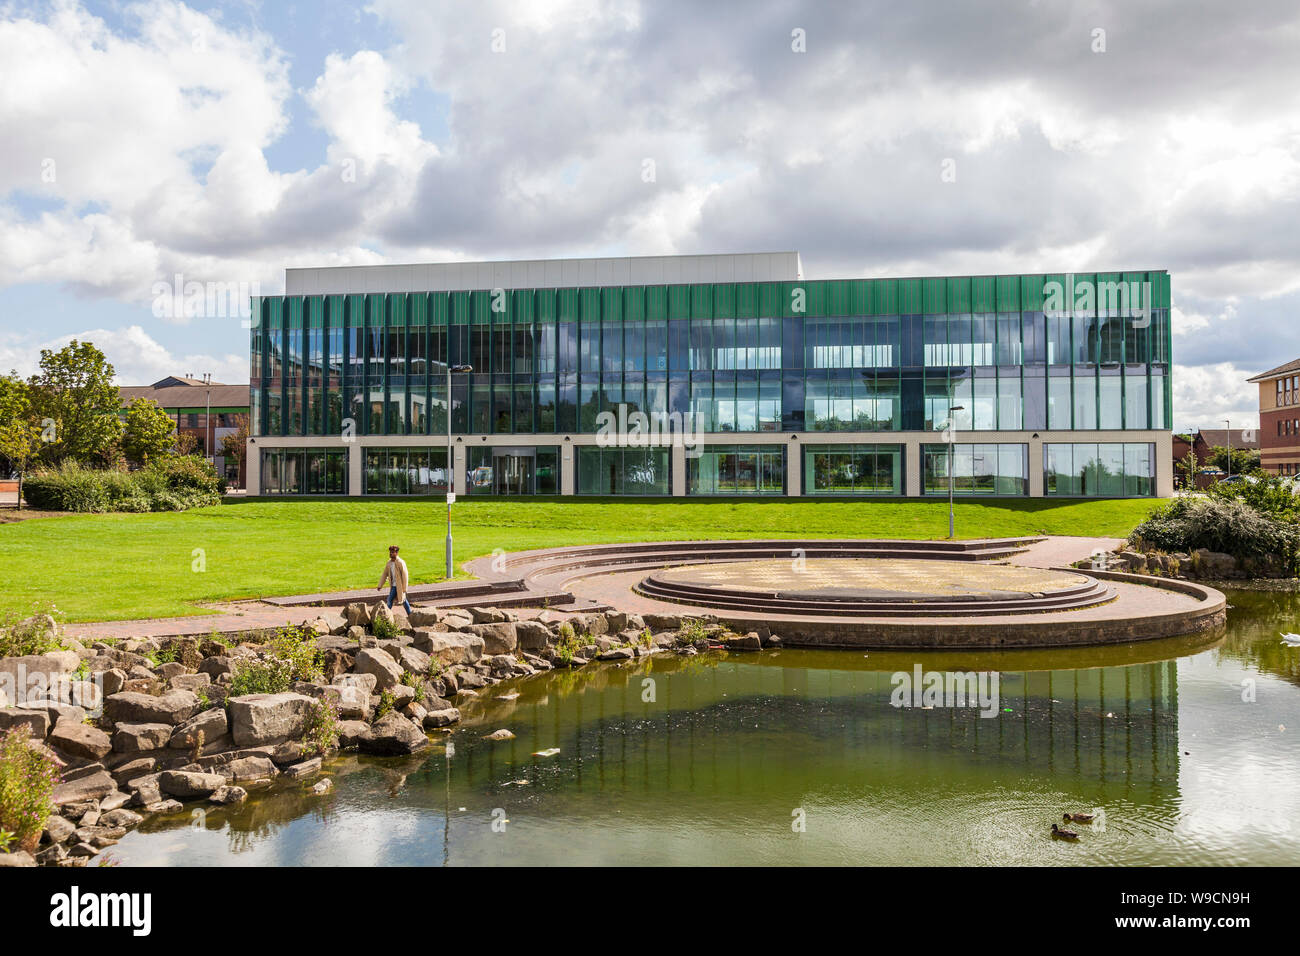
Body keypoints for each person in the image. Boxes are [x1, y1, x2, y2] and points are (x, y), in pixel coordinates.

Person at [378, 545, 411, 614]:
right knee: (404, 601)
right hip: (393, 585)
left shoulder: (400, 562)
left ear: (396, 553)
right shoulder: (389, 563)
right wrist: (380, 585)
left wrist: (404, 589)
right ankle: (410, 614)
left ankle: (386, 615)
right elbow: (384, 574)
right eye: (390, 552)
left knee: (390, 600)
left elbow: (405, 576)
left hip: (399, 586)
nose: (390, 553)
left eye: (392, 552)